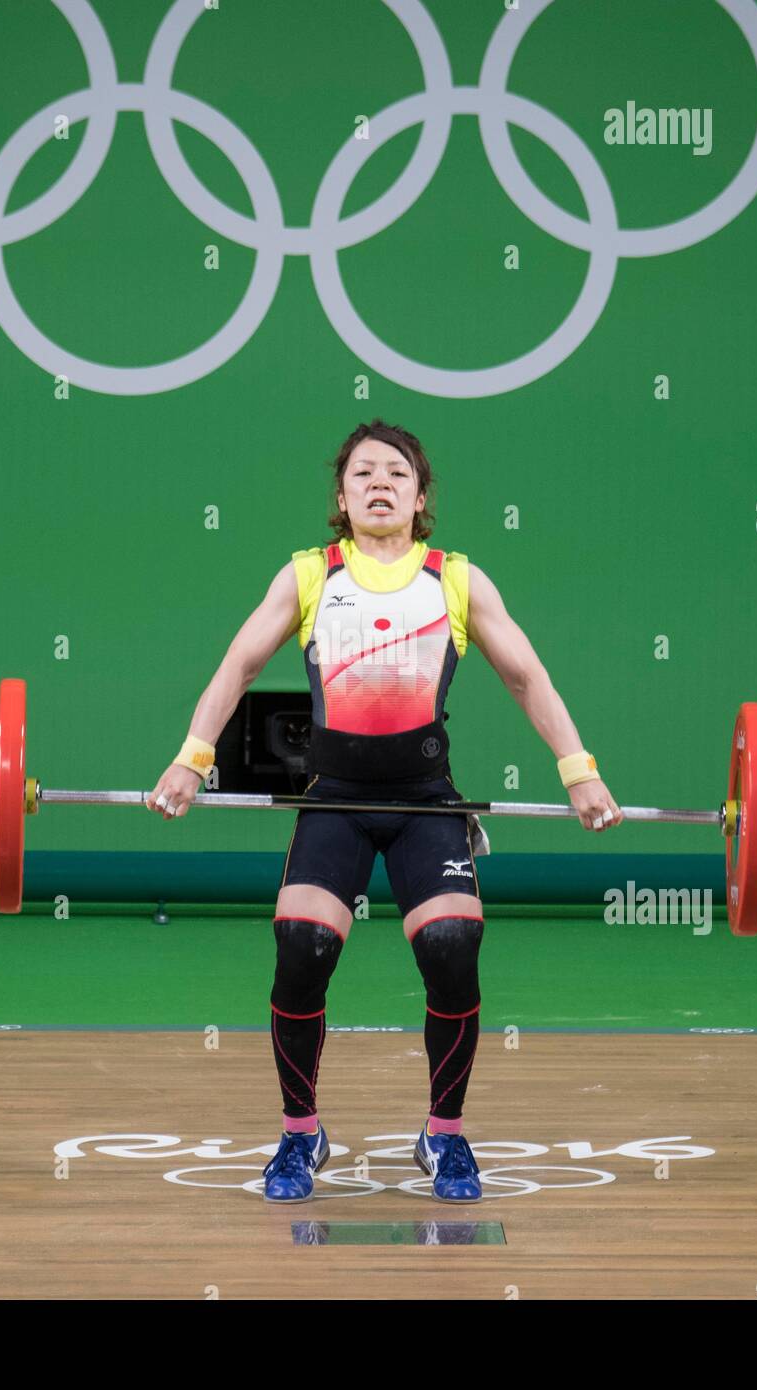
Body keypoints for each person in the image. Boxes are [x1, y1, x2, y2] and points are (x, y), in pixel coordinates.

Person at [147, 419, 622, 1203]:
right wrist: (191, 759)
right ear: (341, 496)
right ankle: (302, 1135)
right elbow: (237, 665)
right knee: (300, 946)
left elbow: (527, 677)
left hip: (426, 803)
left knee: (450, 943)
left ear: (419, 496)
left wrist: (580, 773)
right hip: (333, 802)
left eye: (396, 474)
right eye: (363, 473)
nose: (379, 483)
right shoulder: (307, 575)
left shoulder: (458, 579)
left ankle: (445, 1137)